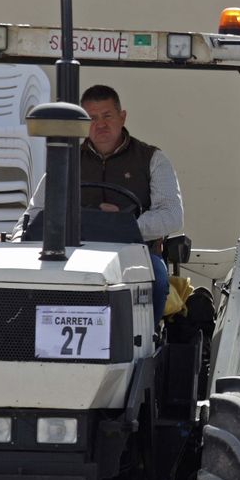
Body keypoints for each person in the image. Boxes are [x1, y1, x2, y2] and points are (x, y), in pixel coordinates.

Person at [80, 84, 184, 325]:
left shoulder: (153, 159)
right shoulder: (66, 160)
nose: (100, 124)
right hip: (77, 250)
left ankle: (149, 342)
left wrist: (124, 225)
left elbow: (172, 215)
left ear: (122, 116)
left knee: (157, 280)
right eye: (92, 118)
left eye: (107, 116)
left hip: (139, 253)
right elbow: (37, 211)